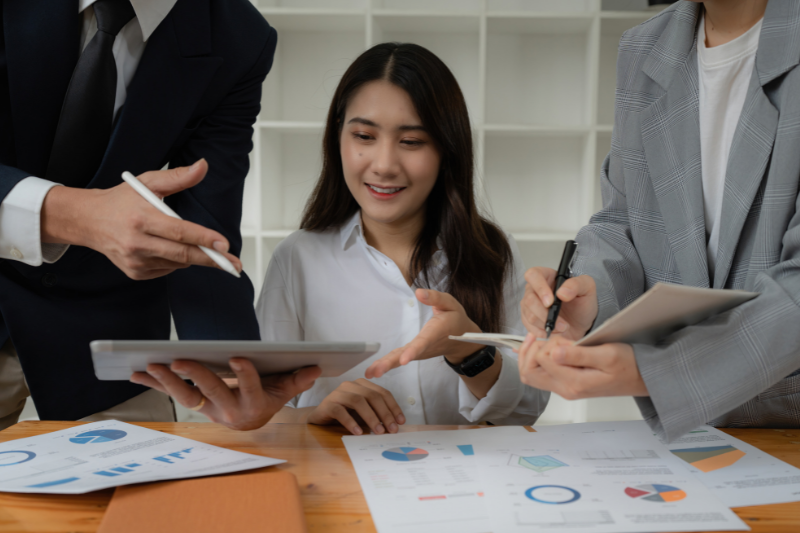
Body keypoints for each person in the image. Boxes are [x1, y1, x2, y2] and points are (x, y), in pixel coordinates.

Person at [139, 42, 548, 432]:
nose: (384, 165)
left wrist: (469, 352)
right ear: (338, 139)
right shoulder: (298, 258)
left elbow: (527, 409)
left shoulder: (493, 252)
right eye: (364, 137)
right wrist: (314, 414)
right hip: (341, 487)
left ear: (446, 151)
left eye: (411, 142)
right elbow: (261, 414)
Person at [0, 0, 316, 430]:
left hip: (106, 330)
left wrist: (231, 373)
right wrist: (80, 217)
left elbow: (204, 233)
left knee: (142, 493)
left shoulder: (239, 38)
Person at [517, 0, 800, 442]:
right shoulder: (644, 48)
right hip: (699, 435)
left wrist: (660, 372)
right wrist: (588, 299)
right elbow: (623, 221)